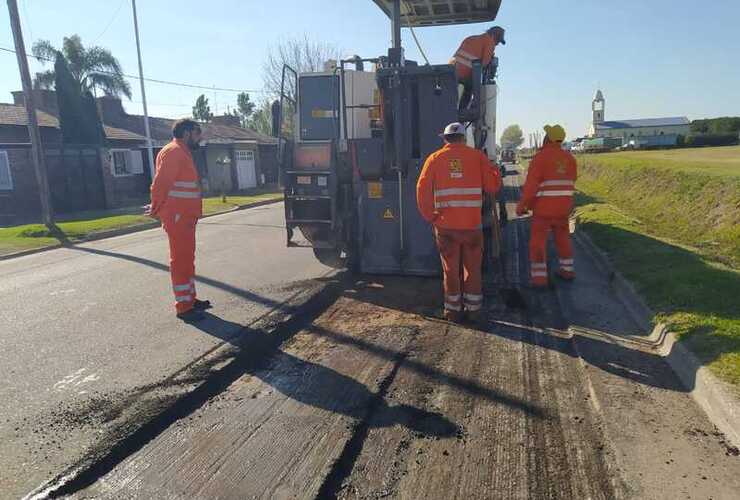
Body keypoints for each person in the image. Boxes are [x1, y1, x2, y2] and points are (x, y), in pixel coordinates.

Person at [417, 122, 502, 323]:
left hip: (446, 227)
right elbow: (492, 187)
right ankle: (474, 310)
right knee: (473, 270)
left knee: (450, 270)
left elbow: (421, 189)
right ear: (464, 138)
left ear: (445, 139)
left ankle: (453, 312)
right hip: (472, 227)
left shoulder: (434, 159)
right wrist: (495, 171)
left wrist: (431, 216)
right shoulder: (478, 157)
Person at [150, 119, 212, 322]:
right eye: (197, 133)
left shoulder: (180, 151)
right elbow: (160, 183)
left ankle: (190, 300)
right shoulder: (174, 152)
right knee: (180, 261)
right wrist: (155, 208)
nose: (199, 137)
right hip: (178, 217)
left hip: (184, 217)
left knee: (187, 260)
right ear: (186, 132)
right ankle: (183, 307)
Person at [516, 124, 578, 287]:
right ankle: (568, 270)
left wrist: (522, 206)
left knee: (538, 242)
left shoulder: (540, 158)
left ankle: (539, 278)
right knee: (563, 239)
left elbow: (531, 188)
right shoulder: (570, 159)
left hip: (543, 211)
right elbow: (571, 182)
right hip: (563, 210)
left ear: (548, 138)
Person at [451, 26, 506, 111]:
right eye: (498, 41)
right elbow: (483, 65)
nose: (497, 44)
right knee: (470, 90)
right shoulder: (489, 42)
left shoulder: (470, 38)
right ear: (493, 35)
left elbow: (455, 59)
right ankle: (463, 113)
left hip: (451, 73)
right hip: (464, 76)